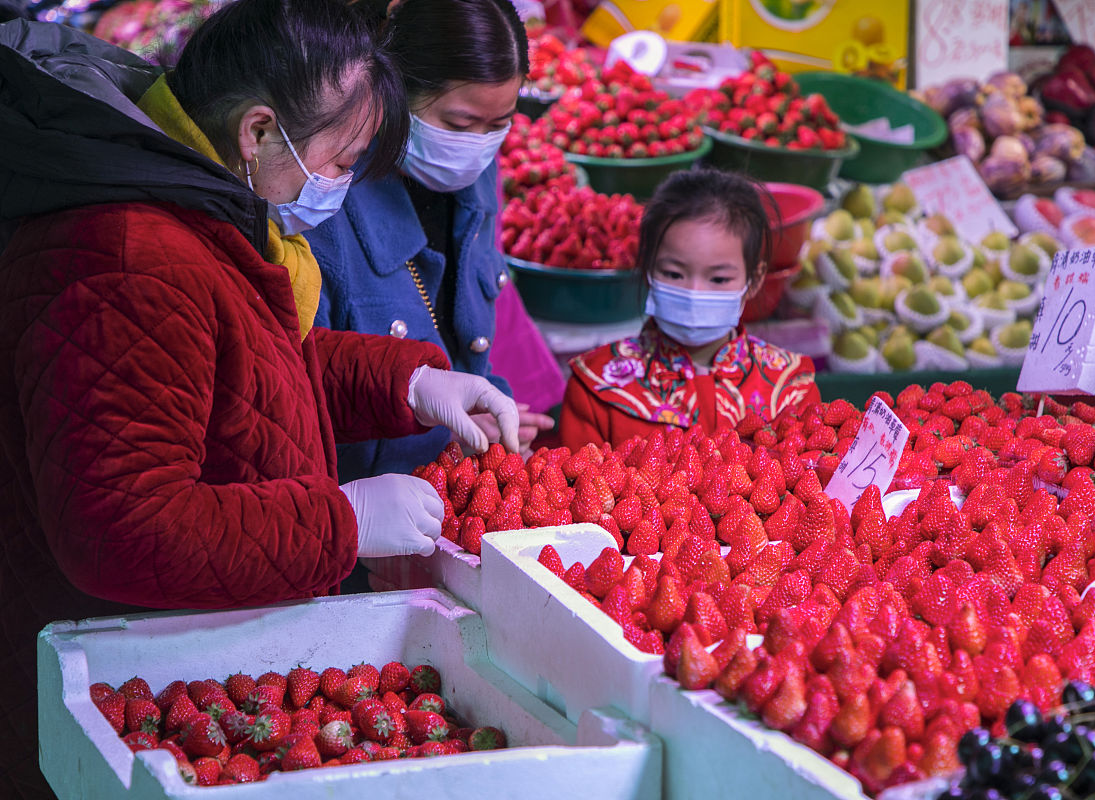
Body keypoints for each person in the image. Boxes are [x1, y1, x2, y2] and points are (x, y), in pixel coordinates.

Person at [0, 1, 516, 796]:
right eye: (340, 162)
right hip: (115, 683)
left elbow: (247, 368)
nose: (340, 185)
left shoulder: (192, 203)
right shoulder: (125, 256)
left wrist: (406, 383)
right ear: (258, 132)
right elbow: (126, 526)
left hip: (179, 658)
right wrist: (340, 523)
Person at [307, 0, 555, 484]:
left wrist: (478, 411)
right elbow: (296, 376)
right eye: (460, 125)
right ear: (393, 88)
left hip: (452, 488)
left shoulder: (481, 178)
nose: (476, 145)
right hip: (351, 495)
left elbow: (463, 331)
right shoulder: (322, 195)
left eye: (498, 125)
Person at [560, 168, 819, 450]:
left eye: (719, 279)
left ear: (754, 279)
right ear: (647, 267)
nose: (694, 293)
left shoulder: (791, 390)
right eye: (673, 274)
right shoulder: (595, 388)